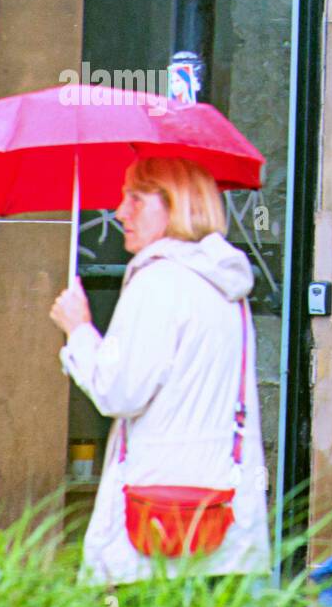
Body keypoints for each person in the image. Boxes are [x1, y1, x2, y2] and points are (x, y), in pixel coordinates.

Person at [50, 156, 269, 584]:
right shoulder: (225, 285)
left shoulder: (159, 282)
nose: (119, 212)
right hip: (222, 524)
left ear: (177, 205)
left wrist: (78, 330)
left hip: (154, 530)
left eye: (135, 198)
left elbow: (119, 393)